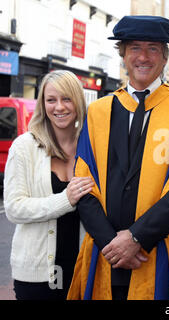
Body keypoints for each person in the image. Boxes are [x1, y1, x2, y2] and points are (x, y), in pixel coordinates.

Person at [67, 15, 169, 300]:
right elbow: (84, 183)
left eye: (153, 48)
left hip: (158, 251)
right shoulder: (98, 111)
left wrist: (136, 238)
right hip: (105, 254)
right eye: (134, 48)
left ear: (166, 57)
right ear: (123, 54)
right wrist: (112, 245)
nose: (143, 57)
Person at [4, 70, 93, 300]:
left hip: (81, 270)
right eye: (51, 100)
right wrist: (66, 199)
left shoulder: (91, 146)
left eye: (66, 99)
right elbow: (14, 207)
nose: (59, 107)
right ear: (43, 105)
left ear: (78, 102)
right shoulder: (24, 147)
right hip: (36, 276)